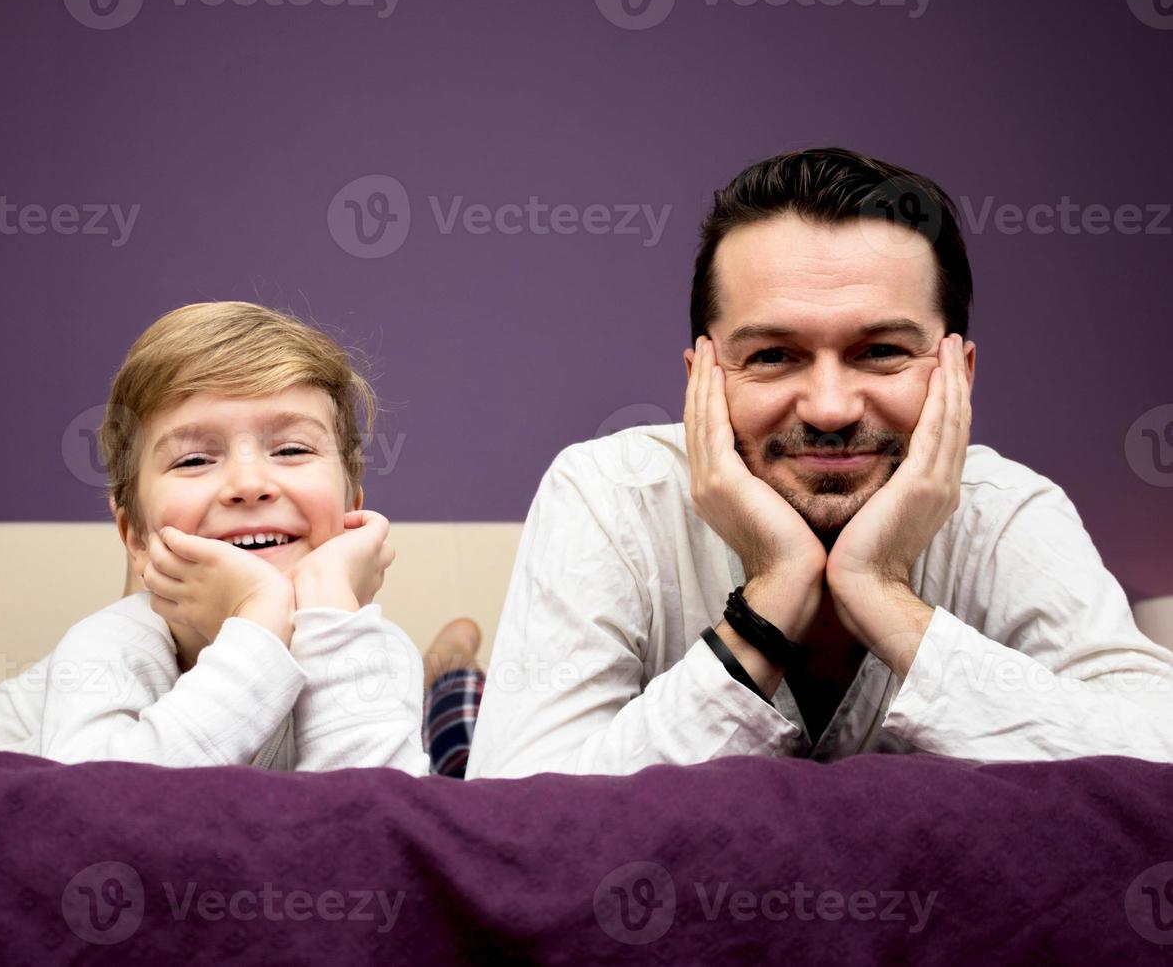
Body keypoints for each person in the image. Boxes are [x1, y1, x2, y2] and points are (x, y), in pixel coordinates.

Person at [467, 148, 1173, 777]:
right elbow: (518, 816)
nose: (830, 408)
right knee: (456, 727)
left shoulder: (1009, 511)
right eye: (773, 356)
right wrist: (771, 601)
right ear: (701, 380)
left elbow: (1155, 759)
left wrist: (880, 593)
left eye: (882, 351)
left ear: (959, 372)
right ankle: (453, 670)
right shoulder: (606, 495)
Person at [0, 301, 482, 775]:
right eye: (193, 459)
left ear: (352, 508)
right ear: (135, 536)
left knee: (464, 752)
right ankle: (449, 667)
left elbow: (371, 840)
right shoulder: (109, 649)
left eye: (291, 449)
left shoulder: (367, 646)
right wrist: (258, 617)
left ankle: (450, 667)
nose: (249, 483)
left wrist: (331, 596)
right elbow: (102, 819)